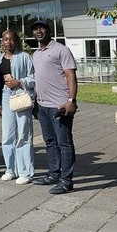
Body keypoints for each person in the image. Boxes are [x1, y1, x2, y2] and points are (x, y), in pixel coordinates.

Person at [31, 20, 78, 194]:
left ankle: (66, 181)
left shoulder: (61, 50)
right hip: (42, 106)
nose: (38, 31)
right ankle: (53, 174)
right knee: (50, 142)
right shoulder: (36, 54)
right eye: (35, 29)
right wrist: (36, 102)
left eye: (41, 28)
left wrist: (71, 100)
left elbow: (70, 75)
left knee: (64, 143)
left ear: (49, 31)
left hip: (59, 105)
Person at [0, 30, 35, 184]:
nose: (8, 42)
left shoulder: (24, 57)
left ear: (16, 41)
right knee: (7, 136)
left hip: (21, 95)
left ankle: (25, 172)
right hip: (5, 97)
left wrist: (20, 82)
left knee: (24, 134)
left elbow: (34, 78)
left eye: (11, 39)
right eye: (5, 39)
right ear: (2, 42)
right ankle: (11, 169)